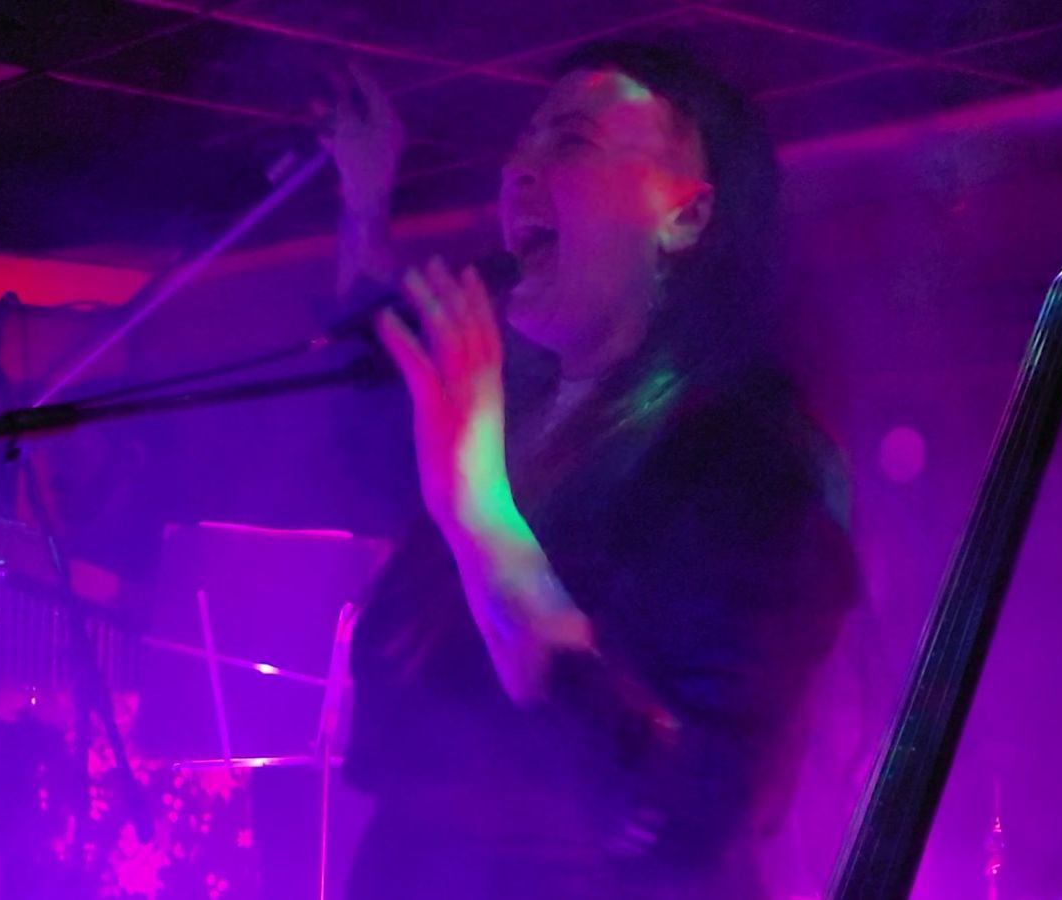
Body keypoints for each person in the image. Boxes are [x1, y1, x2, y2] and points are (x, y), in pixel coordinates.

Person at [319, 43, 859, 899]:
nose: (517, 170)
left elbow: (681, 806)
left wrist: (484, 521)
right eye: (522, 143)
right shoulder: (517, 418)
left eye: (571, 141)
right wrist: (364, 209)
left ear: (685, 216)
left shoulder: (746, 454)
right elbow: (361, 442)